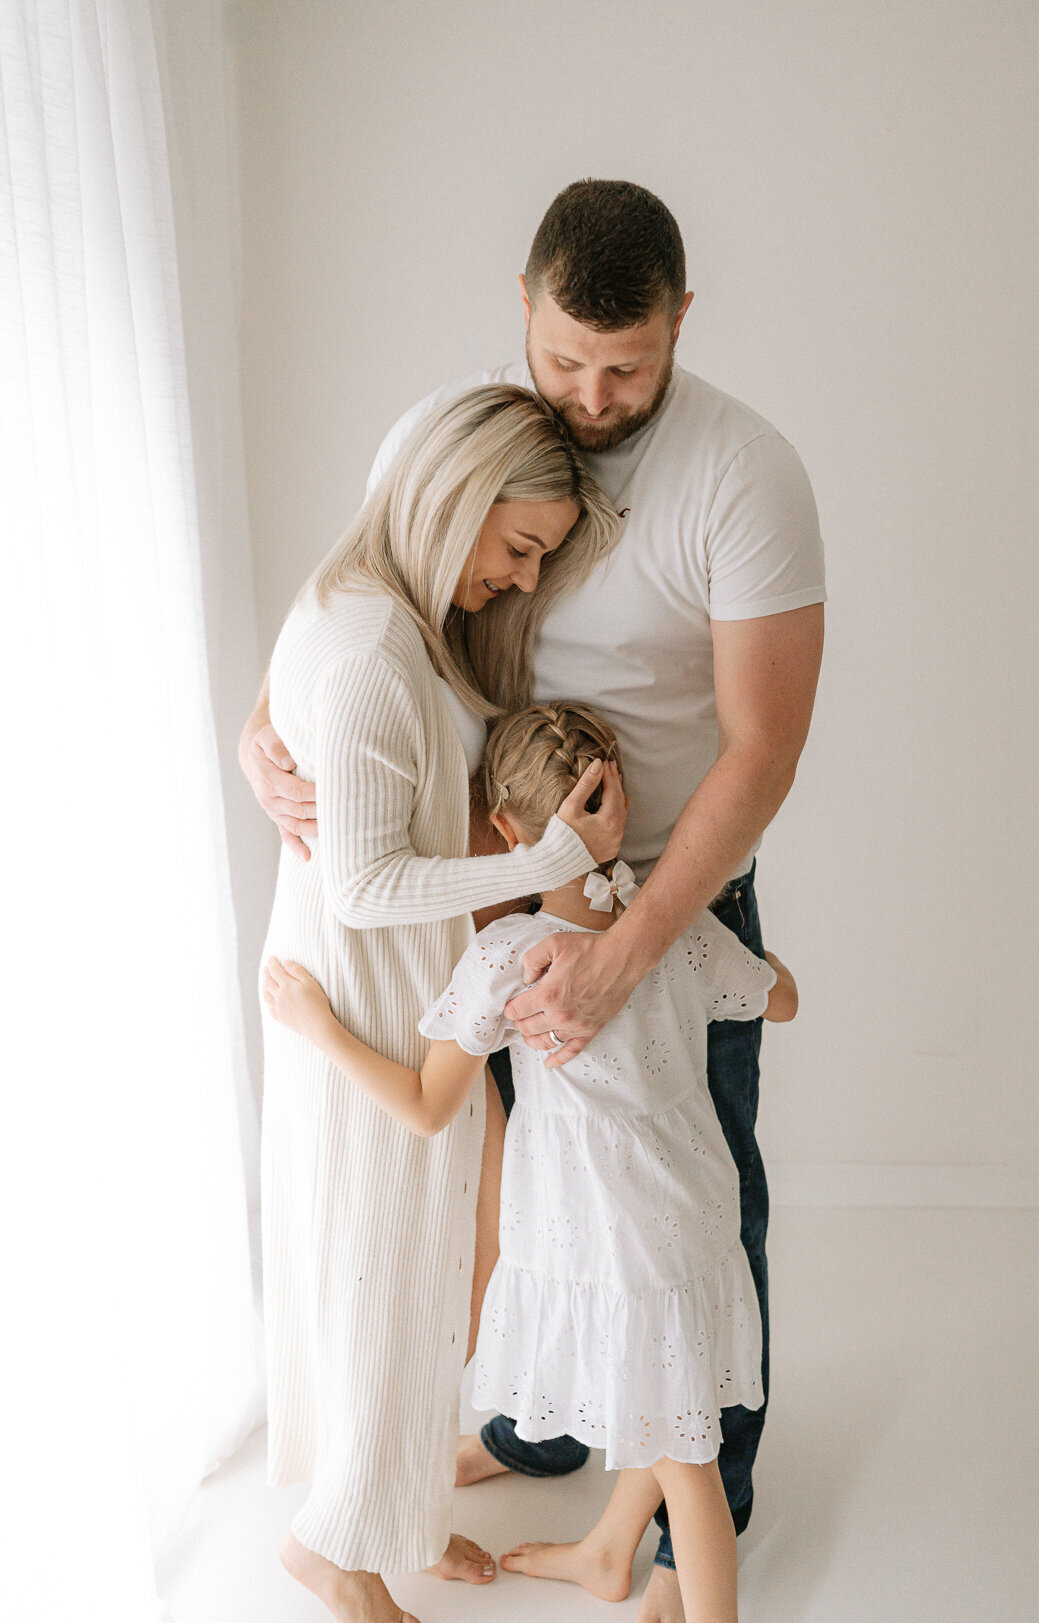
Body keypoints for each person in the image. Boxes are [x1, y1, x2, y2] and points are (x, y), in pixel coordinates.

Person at [241, 178, 825, 1623]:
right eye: (567, 359)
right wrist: (259, 727)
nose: (595, 392)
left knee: (693, 1187)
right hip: (490, 900)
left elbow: (764, 748)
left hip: (664, 891)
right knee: (520, 1195)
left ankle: (702, 1507)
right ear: (523, 307)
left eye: (627, 365)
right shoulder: (457, 445)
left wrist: (633, 940)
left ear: (683, 321)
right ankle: (538, 1424)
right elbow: (356, 594)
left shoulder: (746, 475)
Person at [261, 701, 798, 1623]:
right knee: (660, 1403)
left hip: (617, 1246)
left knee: (689, 1464)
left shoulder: (507, 956)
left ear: (505, 831)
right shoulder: (667, 929)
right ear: (617, 805)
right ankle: (604, 1552)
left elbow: (429, 1104)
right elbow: (779, 999)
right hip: (696, 1218)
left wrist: (321, 1030)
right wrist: (704, 948)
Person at [257, 384, 626, 1623]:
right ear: (459, 498)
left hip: (376, 989)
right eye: (518, 547)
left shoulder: (369, 615)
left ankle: (385, 1514)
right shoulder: (367, 651)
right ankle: (338, 1554)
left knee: (395, 1271)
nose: (519, 581)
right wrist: (542, 868)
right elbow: (364, 886)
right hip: (367, 993)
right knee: (382, 1278)